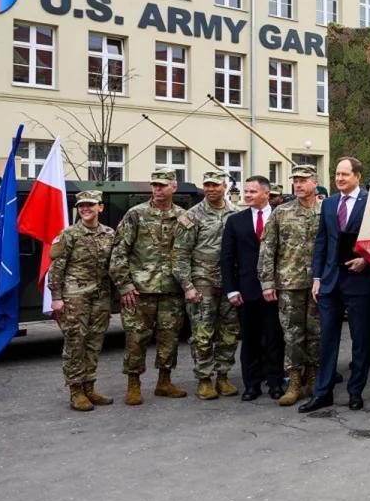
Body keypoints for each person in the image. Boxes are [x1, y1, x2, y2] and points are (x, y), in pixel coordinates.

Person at [303, 157, 370, 413]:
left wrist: (366, 261)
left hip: (359, 280)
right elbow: (322, 242)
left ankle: (355, 391)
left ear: (357, 176)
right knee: (327, 340)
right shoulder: (330, 204)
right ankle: (322, 393)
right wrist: (317, 278)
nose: (340, 178)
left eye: (345, 174)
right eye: (337, 174)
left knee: (360, 340)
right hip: (330, 281)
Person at [110, 169, 187, 404]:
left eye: (163, 185)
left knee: (170, 337)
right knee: (136, 338)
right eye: (154, 185)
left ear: (174, 187)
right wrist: (124, 285)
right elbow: (119, 252)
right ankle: (133, 384)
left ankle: (164, 381)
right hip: (140, 290)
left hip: (171, 289)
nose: (157, 189)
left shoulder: (183, 216)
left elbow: (187, 251)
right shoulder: (136, 214)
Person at [258, 164, 322, 407]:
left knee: (316, 334)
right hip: (289, 283)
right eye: (295, 179)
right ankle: (294, 380)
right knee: (292, 335)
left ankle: (314, 378)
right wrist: (266, 282)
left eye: (303, 179)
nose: (298, 184)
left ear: (315, 182)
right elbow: (267, 249)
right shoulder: (281, 212)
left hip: (318, 284)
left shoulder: (325, 211)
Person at [173, 170, 239, 400]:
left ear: (225, 187)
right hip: (202, 278)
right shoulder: (192, 216)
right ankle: (204, 379)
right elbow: (180, 255)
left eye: (215, 185)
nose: (211, 189)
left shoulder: (235, 214)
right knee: (203, 332)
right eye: (207, 185)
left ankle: (222, 375)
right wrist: (188, 286)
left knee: (229, 331)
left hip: (229, 278)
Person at [49, 190, 116, 411]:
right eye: (81, 206)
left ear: (100, 207)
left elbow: (115, 265)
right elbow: (56, 267)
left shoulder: (109, 234)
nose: (85, 209)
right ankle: (75, 390)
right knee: (75, 342)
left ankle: (90, 387)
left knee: (94, 342)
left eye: (90, 205)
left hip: (100, 295)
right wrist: (56, 297)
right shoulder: (68, 234)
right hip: (74, 295)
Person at [220, 175, 285, 401]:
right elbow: (227, 258)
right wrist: (231, 289)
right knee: (250, 340)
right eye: (246, 191)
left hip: (275, 289)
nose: (247, 195)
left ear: (266, 194)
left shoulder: (280, 217)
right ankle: (252, 385)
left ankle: (276, 383)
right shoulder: (235, 221)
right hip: (246, 291)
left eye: (252, 192)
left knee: (275, 338)